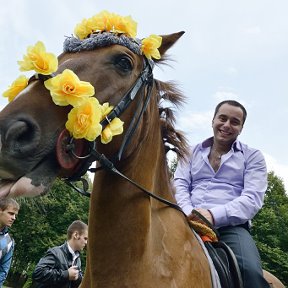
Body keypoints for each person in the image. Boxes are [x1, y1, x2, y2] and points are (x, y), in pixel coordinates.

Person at [174, 100, 270, 288]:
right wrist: (188, 212)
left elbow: (252, 199)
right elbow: (180, 184)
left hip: (230, 228)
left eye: (235, 122)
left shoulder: (253, 157)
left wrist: (213, 215)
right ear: (213, 120)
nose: (227, 125)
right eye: (222, 118)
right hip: (184, 220)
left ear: (241, 128)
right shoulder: (190, 152)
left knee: (249, 271)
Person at [32, 220, 88, 288]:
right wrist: (66, 274)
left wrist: (78, 278)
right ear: (76, 235)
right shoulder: (55, 252)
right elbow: (38, 273)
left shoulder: (78, 259)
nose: (86, 242)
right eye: (85, 238)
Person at [0, 198, 20, 287]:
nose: (14, 218)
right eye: (11, 213)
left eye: (15, 215)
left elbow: (3, 271)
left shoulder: (9, 242)